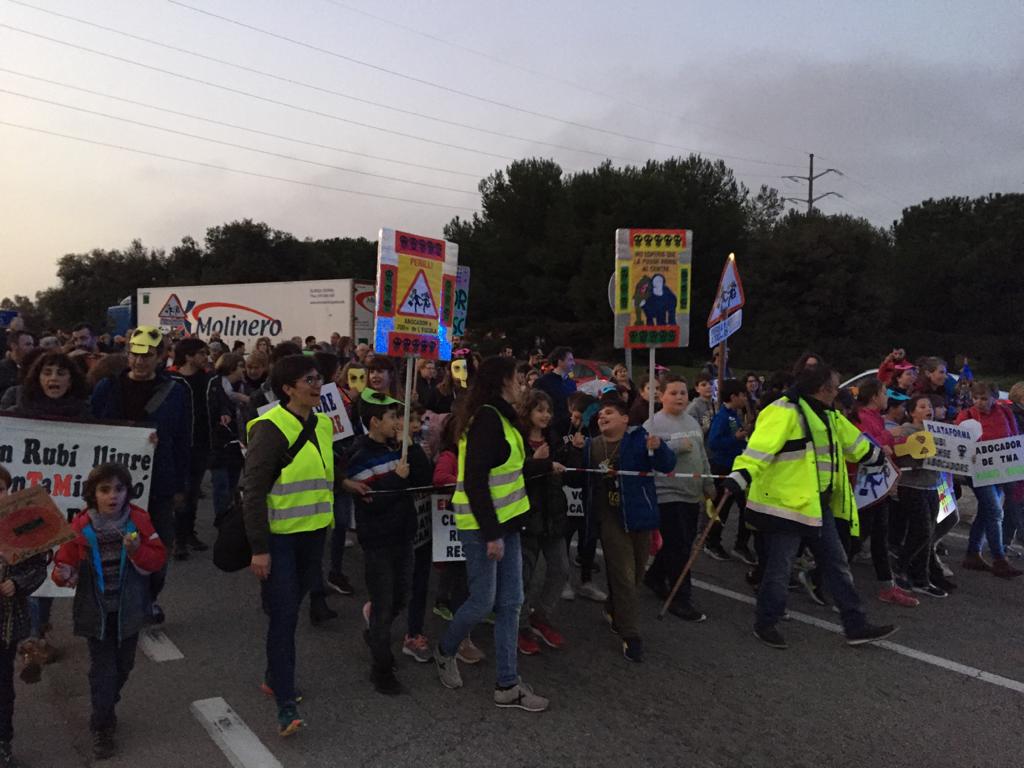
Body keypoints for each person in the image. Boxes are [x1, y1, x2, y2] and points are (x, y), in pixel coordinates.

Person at [725, 362, 898, 650]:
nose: (841, 391)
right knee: (780, 569)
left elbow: (855, 443)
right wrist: (740, 476)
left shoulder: (830, 414)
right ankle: (766, 622)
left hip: (817, 505)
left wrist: (878, 457)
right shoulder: (783, 411)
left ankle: (855, 626)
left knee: (837, 564)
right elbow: (759, 449)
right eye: (836, 386)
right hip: (786, 506)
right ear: (823, 389)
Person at [434, 356, 549, 712]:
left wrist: (541, 465)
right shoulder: (487, 418)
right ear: (503, 380)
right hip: (485, 528)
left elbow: (506, 468)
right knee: (484, 602)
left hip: (506, 524)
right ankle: (445, 650)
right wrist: (492, 534)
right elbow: (476, 482)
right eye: (518, 378)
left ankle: (507, 684)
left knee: (511, 603)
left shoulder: (500, 416)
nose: (522, 385)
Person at [242, 354, 336, 736]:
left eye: (318, 379)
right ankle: (284, 703)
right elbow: (253, 492)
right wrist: (259, 548)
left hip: (314, 535)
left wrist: (350, 485)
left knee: (289, 608)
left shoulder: (325, 424)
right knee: (284, 618)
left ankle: (271, 675)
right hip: (279, 540)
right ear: (287, 389)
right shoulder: (269, 428)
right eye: (308, 380)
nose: (317, 385)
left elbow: (327, 470)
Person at [53, 463, 167, 760]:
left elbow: (158, 558)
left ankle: (106, 703)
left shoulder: (138, 521)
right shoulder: (80, 527)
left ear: (128, 492)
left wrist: (136, 551)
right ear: (93, 494)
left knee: (124, 665)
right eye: (105, 490)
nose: (112, 496)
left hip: (129, 608)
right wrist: (64, 573)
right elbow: (63, 563)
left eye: (119, 489)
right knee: (102, 670)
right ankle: (101, 724)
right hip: (96, 610)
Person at [90, 326, 189, 625]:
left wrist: (182, 485)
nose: (139, 361)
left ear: (160, 357)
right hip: (112, 486)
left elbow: (185, 439)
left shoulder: (175, 392)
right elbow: (88, 428)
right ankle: (118, 602)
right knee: (110, 545)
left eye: (147, 355)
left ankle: (149, 598)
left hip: (158, 482)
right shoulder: (107, 388)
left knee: (158, 547)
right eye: (134, 354)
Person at [4, 351, 91, 683]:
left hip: (68, 502)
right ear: (37, 378)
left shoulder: (87, 415)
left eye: (61, 373)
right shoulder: (16, 414)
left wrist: (144, 442)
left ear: (72, 379)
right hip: (32, 508)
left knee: (63, 564)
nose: (54, 379)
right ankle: (36, 636)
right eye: (48, 373)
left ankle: (41, 630)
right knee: (36, 565)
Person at [342, 389, 430, 692]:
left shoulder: (398, 449)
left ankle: (376, 634)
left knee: (400, 598)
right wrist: (396, 478)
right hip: (378, 541)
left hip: (404, 535)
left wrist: (411, 447)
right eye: (393, 417)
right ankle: (381, 670)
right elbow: (372, 500)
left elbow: (424, 479)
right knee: (382, 604)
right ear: (375, 421)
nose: (398, 422)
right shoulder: (359, 455)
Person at [576, 398, 673, 661]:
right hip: (609, 519)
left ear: (625, 419)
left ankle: (613, 607)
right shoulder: (591, 446)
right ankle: (630, 634)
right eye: (599, 415)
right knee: (623, 575)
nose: (602, 417)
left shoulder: (640, 439)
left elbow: (667, 465)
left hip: (639, 515)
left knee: (637, 572)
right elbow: (579, 479)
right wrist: (571, 453)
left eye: (609, 413)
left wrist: (659, 448)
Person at [643, 376, 715, 621]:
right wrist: (673, 444)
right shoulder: (652, 424)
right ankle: (680, 599)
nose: (679, 397)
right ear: (661, 396)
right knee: (680, 547)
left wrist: (708, 483)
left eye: (683, 392)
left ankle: (654, 577)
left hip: (691, 492)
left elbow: (702, 456)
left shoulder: (693, 422)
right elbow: (647, 452)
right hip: (667, 493)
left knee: (680, 542)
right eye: (673, 393)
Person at [850, 380, 919, 607]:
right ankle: (820, 574)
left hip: (879, 485)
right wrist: (886, 441)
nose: (886, 398)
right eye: (883, 393)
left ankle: (887, 586)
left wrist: (903, 442)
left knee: (878, 536)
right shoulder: (861, 417)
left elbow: (884, 444)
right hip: (866, 486)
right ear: (874, 396)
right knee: (859, 537)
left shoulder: (875, 418)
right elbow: (861, 443)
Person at [0, 464, 48, 768]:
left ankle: (3, 742)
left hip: (6, 626)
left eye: (0, 489)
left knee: (3, 688)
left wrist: (17, 583)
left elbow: (38, 568)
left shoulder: (20, 524)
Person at [515, 390, 570, 655]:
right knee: (525, 575)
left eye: (548, 410)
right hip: (527, 516)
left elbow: (566, 470)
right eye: (540, 410)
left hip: (553, 514)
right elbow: (512, 473)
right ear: (528, 412)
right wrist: (537, 463)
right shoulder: (517, 440)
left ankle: (541, 614)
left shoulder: (554, 438)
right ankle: (520, 624)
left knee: (560, 569)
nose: (545, 415)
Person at [956, 381, 1022, 578]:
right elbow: (957, 444)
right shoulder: (966, 416)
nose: (979, 402)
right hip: (978, 471)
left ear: (994, 398)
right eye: (976, 398)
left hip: (1001, 470)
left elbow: (1014, 436)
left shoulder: (1005, 413)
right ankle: (999, 558)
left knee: (986, 511)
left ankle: (973, 553)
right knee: (994, 511)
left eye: (984, 398)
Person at [892, 395, 954, 597]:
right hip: (912, 486)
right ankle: (900, 566)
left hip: (932, 486)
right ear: (912, 412)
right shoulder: (906, 431)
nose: (928, 409)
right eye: (922, 406)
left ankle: (922, 578)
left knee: (927, 533)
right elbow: (899, 454)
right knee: (922, 531)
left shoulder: (938, 431)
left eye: (930, 406)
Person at [170, 338, 212, 560]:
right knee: (181, 491)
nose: (206, 357)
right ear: (188, 356)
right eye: (201, 353)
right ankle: (178, 537)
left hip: (201, 442)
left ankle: (188, 532)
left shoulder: (208, 379)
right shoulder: (172, 380)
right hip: (179, 443)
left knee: (193, 491)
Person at [705, 380, 753, 564]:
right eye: (742, 395)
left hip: (737, 467)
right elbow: (714, 443)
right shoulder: (722, 417)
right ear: (733, 397)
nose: (744, 399)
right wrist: (735, 438)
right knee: (721, 509)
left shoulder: (735, 415)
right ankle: (712, 542)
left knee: (746, 507)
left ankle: (741, 544)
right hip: (724, 468)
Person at [206, 353, 246, 528]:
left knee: (230, 484)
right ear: (232, 368)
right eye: (241, 366)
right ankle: (222, 519)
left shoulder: (240, 387)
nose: (243, 370)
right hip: (220, 444)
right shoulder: (216, 386)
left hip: (235, 444)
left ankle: (227, 516)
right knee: (221, 485)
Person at [533, 346, 576, 439]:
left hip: (568, 431)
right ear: (560, 361)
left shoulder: (571, 383)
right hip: (550, 431)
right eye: (570, 360)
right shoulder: (543, 382)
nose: (574, 363)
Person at [0, 331, 34, 397]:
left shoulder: (33, 368)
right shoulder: (2, 369)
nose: (32, 348)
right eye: (28, 344)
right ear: (14, 346)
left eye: (32, 344)